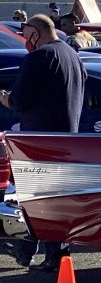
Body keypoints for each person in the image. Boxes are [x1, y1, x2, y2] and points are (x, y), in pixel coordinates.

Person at [0, 15, 87, 270]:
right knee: (56, 201)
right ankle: (52, 251)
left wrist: (6, 99)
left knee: (34, 201)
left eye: (27, 35)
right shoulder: (72, 55)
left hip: (38, 142)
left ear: (37, 32)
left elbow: (21, 100)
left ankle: (46, 254)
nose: (26, 41)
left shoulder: (38, 58)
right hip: (67, 139)